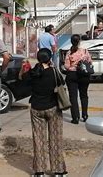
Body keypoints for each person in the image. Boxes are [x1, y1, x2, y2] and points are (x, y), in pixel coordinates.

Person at [19, 48, 67, 177]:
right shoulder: (54, 72)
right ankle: (58, 171)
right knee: (55, 139)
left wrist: (24, 67)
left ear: (38, 58)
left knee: (38, 140)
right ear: (50, 58)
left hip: (36, 109)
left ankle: (39, 171)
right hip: (53, 108)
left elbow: (22, 78)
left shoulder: (33, 72)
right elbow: (62, 83)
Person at [64, 34, 92, 124]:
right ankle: (85, 115)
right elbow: (90, 61)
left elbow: (66, 66)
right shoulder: (84, 51)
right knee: (84, 95)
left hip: (72, 75)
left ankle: (75, 117)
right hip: (84, 75)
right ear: (79, 41)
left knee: (73, 97)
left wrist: (73, 66)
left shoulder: (69, 53)